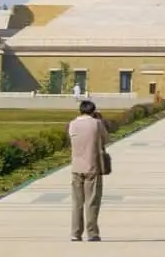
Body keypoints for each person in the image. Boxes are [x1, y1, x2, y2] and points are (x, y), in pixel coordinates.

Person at [68, 100, 108, 242]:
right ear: (93, 111)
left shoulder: (72, 124)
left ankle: (75, 233)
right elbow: (105, 139)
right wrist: (99, 120)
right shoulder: (97, 124)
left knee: (77, 203)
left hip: (76, 167)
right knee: (91, 202)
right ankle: (92, 233)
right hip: (92, 166)